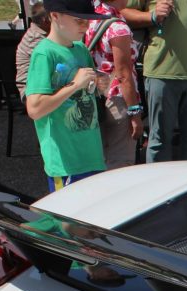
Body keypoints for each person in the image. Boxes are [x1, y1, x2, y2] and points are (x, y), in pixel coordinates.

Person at [121, 0, 187, 162]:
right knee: (159, 140)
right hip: (161, 74)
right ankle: (158, 186)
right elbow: (123, 12)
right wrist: (152, 16)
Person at [25, 0, 106, 193]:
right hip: (66, 162)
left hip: (91, 155)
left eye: (88, 21)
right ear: (55, 16)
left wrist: (99, 84)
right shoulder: (44, 54)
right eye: (79, 21)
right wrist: (75, 85)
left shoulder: (81, 49)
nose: (86, 26)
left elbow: (88, 89)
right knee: (68, 221)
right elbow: (34, 109)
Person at [85, 0, 144, 169]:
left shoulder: (93, 18)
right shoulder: (118, 27)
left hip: (98, 93)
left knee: (102, 156)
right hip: (118, 99)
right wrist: (135, 113)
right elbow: (124, 74)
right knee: (120, 161)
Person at [16, 2, 52, 97]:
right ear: (45, 20)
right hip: (31, 90)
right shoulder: (35, 39)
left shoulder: (42, 33)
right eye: (55, 16)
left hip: (42, 84)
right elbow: (51, 63)